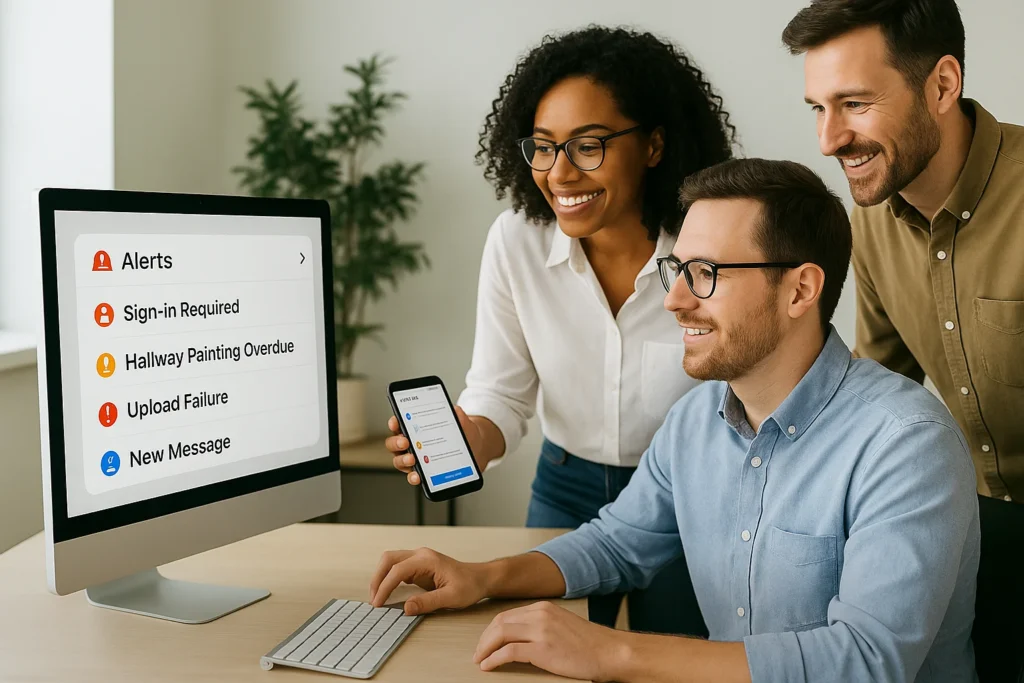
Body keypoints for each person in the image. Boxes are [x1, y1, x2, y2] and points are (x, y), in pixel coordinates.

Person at [370, 159, 980, 683]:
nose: (674, 299)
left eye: (706, 274)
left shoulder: (906, 442)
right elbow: (617, 544)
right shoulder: (694, 422)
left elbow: (867, 662)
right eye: (677, 269)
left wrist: (613, 651)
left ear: (800, 291)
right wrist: (482, 577)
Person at [383, 25, 736, 634]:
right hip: (565, 489)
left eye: (589, 145)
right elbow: (501, 394)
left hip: (693, 499)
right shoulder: (515, 242)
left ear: (654, 146)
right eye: (544, 147)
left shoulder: (713, 251)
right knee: (540, 658)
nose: (561, 173)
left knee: (677, 660)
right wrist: (471, 437)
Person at [783, 0, 1024, 502]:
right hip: (978, 516)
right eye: (818, 108)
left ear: (942, 85)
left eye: (855, 104)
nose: (829, 141)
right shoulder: (870, 222)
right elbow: (878, 392)